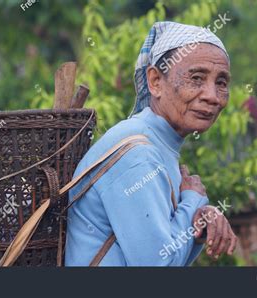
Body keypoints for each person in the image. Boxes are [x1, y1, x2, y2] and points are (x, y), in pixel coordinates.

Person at [65, 21, 237, 266]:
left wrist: (199, 219)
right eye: (197, 78)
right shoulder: (136, 153)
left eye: (221, 82)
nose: (212, 96)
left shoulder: (155, 144)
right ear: (155, 81)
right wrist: (193, 200)